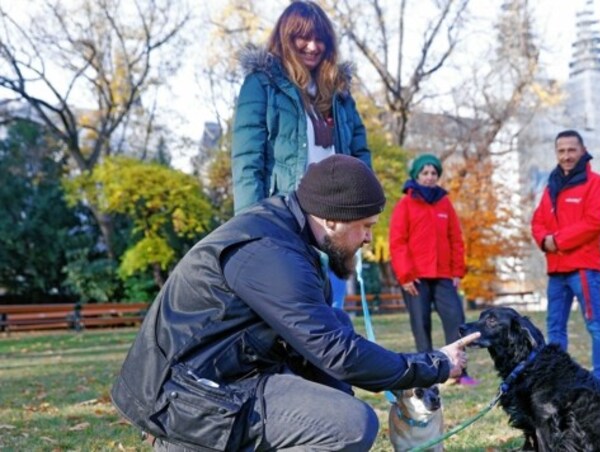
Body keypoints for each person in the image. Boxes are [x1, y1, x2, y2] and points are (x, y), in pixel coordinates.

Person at [111, 155, 479, 451]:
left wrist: (397, 373)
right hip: (183, 399)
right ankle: (182, 444)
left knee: (338, 328)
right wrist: (431, 365)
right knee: (351, 425)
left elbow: (330, 344)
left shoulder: (289, 233)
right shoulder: (271, 254)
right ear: (333, 219)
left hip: (221, 377)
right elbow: (339, 354)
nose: (369, 238)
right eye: (366, 225)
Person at [232, 1, 370, 308]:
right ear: (285, 38)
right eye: (302, 37)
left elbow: (360, 152)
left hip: (335, 219)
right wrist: (249, 229)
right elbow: (247, 162)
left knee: (333, 311)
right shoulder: (262, 85)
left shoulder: (340, 92)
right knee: (295, 307)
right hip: (285, 215)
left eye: (320, 38)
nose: (312, 46)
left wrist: (362, 209)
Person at [530, 129, 600, 384]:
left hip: (583, 269)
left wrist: (558, 240)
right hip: (556, 271)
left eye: (571, 150)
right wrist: (544, 240)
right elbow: (538, 221)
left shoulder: (597, 184)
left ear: (582, 150)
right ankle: (559, 381)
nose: (566, 156)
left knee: (595, 325)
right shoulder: (550, 186)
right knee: (554, 328)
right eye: (561, 151)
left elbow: (593, 223)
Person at [389, 154, 477, 386]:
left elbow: (455, 238)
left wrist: (457, 271)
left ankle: (460, 373)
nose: (429, 177)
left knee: (456, 320)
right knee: (421, 324)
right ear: (416, 176)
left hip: (444, 275)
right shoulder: (405, 204)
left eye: (433, 173)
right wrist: (405, 276)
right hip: (416, 278)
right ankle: (428, 375)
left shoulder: (444, 203)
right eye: (425, 173)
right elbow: (398, 242)